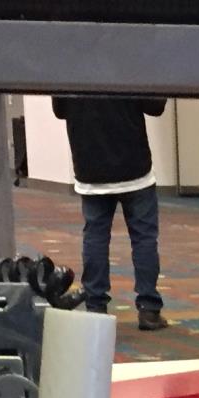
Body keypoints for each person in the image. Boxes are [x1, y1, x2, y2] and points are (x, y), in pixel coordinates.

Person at [50, 95, 169, 331]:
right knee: (144, 238)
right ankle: (149, 309)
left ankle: (96, 306)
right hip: (134, 166)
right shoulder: (130, 70)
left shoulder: (68, 71)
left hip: (89, 165)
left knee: (95, 237)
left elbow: (60, 110)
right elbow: (155, 106)